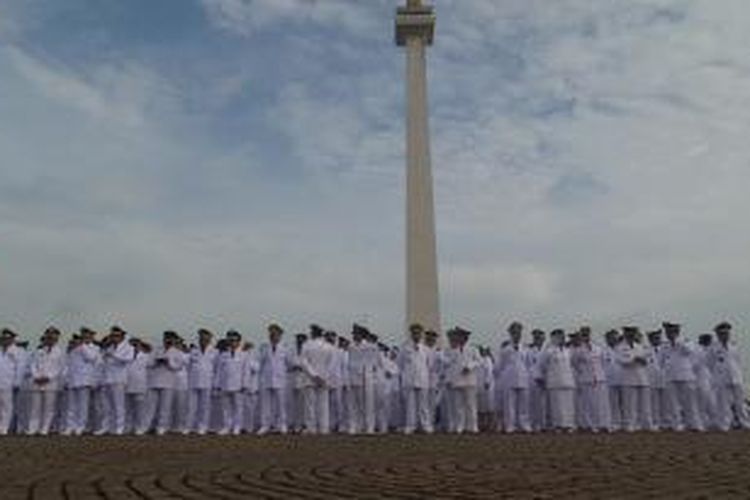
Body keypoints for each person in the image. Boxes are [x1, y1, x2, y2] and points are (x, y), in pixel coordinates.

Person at [660, 322, 702, 431]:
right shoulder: (664, 345)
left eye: (671, 331)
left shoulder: (686, 341)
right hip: (670, 376)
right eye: (667, 332)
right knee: (673, 403)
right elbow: (660, 361)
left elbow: (688, 351)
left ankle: (694, 424)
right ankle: (677, 424)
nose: (669, 334)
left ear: (677, 332)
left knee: (690, 402)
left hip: (686, 375)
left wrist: (677, 340)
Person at [708, 322, 750, 431]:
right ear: (717, 335)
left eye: (726, 333)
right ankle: (725, 424)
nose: (725, 336)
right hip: (722, 379)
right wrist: (717, 375)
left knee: (740, 403)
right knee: (723, 404)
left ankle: (744, 422)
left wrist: (739, 375)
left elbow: (737, 361)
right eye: (722, 334)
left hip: (735, 377)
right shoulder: (713, 348)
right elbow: (709, 364)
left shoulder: (734, 346)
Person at [571, 327, 610, 432]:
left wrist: (600, 374)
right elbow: (574, 364)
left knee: (601, 403)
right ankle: (589, 425)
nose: (585, 336)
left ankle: (602, 423)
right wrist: (583, 372)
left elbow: (602, 362)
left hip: (599, 378)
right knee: (588, 404)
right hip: (586, 379)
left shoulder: (598, 348)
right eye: (583, 334)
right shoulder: (578, 350)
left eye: (587, 334)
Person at [27, 327, 66, 435]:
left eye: (53, 336)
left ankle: (44, 428)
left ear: (57, 338)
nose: (50, 338)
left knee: (48, 408)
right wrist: (36, 376)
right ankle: (32, 428)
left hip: (51, 383)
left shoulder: (60, 352)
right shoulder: (38, 351)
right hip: (37, 381)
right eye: (48, 336)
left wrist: (48, 377)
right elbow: (32, 365)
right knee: (35, 407)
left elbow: (60, 368)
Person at [495, 321, 531, 433]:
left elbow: (528, 364)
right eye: (514, 332)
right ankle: (510, 425)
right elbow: (499, 366)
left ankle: (524, 424)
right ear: (510, 333)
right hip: (509, 378)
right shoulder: (505, 349)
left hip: (523, 378)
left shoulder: (525, 348)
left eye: (519, 332)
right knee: (509, 404)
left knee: (524, 404)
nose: (517, 334)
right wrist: (501, 380)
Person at [538, 329, 576, 432]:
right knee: (556, 406)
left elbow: (572, 365)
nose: (562, 339)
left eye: (563, 337)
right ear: (554, 338)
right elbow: (542, 365)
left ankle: (569, 424)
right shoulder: (548, 351)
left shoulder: (567, 351)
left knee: (568, 405)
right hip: (555, 381)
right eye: (560, 337)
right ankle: (557, 425)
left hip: (568, 381)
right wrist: (543, 378)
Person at [64, 327, 101, 436]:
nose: (86, 337)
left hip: (84, 380)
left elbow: (91, 358)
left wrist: (82, 346)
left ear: (92, 337)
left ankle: (80, 426)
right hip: (73, 379)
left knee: (83, 406)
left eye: (88, 335)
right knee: (71, 406)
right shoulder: (74, 348)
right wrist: (67, 379)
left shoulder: (95, 348)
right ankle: (70, 426)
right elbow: (69, 364)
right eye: (84, 335)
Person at [444, 327, 480, 434]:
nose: (462, 338)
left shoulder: (473, 349)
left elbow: (478, 361)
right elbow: (448, 365)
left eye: (464, 336)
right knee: (458, 405)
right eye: (459, 336)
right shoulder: (451, 349)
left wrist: (469, 366)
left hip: (469, 379)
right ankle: (460, 425)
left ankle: (473, 426)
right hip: (457, 380)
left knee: (471, 405)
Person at [397, 323, 432, 434]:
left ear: (421, 335)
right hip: (409, 379)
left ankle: (425, 425)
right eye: (414, 333)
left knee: (423, 405)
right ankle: (410, 425)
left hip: (422, 379)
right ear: (411, 334)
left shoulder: (426, 349)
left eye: (418, 333)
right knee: (410, 405)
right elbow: (399, 364)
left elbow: (430, 365)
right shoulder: (404, 348)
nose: (416, 335)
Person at [148, 331, 185, 435]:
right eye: (166, 338)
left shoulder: (176, 352)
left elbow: (178, 367)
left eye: (170, 339)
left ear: (173, 340)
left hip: (168, 381)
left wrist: (169, 363)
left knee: (165, 406)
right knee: (151, 406)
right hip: (155, 380)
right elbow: (148, 363)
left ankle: (162, 427)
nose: (168, 340)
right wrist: (156, 361)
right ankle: (149, 425)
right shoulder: (156, 349)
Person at [617, 326, 653, 432]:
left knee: (645, 404)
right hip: (628, 378)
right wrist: (635, 359)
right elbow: (622, 361)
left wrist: (643, 360)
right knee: (629, 404)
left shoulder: (640, 346)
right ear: (625, 334)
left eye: (633, 333)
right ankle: (630, 424)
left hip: (642, 377)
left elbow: (647, 361)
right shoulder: (620, 347)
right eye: (629, 333)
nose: (631, 335)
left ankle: (647, 424)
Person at [257, 324, 291, 435]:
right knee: (265, 404)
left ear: (280, 335)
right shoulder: (264, 347)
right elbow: (260, 363)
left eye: (275, 334)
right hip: (266, 379)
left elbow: (289, 364)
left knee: (281, 404)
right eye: (271, 334)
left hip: (280, 379)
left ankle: (282, 425)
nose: (272, 336)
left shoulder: (285, 348)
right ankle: (265, 425)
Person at [100, 326, 134, 435]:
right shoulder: (108, 348)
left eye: (117, 336)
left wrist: (114, 355)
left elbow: (127, 360)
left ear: (122, 336)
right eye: (113, 335)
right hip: (107, 378)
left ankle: (120, 427)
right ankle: (106, 427)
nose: (114, 338)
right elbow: (102, 362)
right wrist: (105, 350)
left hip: (119, 379)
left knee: (119, 405)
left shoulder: (128, 347)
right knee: (106, 405)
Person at [347, 324, 379, 434]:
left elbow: (374, 363)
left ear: (362, 335)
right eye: (354, 334)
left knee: (367, 404)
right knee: (353, 404)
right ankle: (355, 425)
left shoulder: (371, 347)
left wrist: (369, 374)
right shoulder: (351, 347)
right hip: (353, 377)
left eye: (356, 334)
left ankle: (369, 426)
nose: (354, 336)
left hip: (366, 377)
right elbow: (350, 363)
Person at [187, 329, 217, 435]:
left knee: (204, 406)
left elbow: (217, 369)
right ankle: (189, 427)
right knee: (191, 406)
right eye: (201, 338)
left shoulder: (214, 351)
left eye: (205, 338)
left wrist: (215, 383)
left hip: (207, 381)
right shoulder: (193, 351)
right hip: (193, 381)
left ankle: (202, 427)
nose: (203, 340)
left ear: (209, 339)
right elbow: (188, 367)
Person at [216, 331, 246, 435]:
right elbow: (219, 370)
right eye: (230, 340)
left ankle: (237, 426)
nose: (232, 342)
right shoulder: (223, 355)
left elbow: (245, 371)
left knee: (238, 407)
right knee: (226, 407)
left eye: (234, 340)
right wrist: (218, 384)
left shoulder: (244, 355)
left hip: (238, 385)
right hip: (225, 384)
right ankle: (227, 426)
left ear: (239, 342)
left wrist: (244, 384)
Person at [126, 338, 151, 435]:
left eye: (136, 345)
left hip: (140, 384)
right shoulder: (126, 357)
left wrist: (148, 348)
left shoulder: (146, 356)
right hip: (127, 384)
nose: (134, 347)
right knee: (128, 408)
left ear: (140, 346)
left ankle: (140, 427)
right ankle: (129, 426)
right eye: (132, 345)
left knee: (140, 408)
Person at [693, 334, 717, 430]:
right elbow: (694, 365)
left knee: (713, 402)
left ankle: (714, 421)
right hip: (700, 378)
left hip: (713, 378)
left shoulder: (713, 349)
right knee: (702, 402)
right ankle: (702, 423)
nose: (708, 341)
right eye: (706, 340)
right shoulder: (697, 350)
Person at [645, 330, 667, 430]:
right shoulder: (645, 350)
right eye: (654, 338)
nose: (656, 340)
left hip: (665, 378)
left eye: (658, 338)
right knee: (654, 402)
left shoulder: (666, 348)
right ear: (649, 339)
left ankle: (666, 421)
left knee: (666, 402)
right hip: (651, 379)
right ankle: (656, 421)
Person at [603, 329, 624, 431]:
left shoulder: (622, 349)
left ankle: (626, 422)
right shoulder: (603, 350)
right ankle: (614, 422)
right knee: (612, 403)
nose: (612, 339)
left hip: (623, 379)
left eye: (614, 337)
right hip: (609, 380)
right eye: (610, 338)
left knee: (625, 403)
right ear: (606, 339)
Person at [526, 329, 547, 432]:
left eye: (540, 337)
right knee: (532, 403)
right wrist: (535, 377)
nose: (538, 339)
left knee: (544, 403)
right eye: (536, 337)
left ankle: (543, 424)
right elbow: (527, 366)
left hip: (545, 379)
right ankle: (533, 424)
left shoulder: (547, 350)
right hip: (532, 379)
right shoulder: (528, 350)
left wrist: (544, 378)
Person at [0, 329, 18, 435]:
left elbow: (19, 368)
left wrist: (16, 381)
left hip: (8, 382)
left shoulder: (16, 351)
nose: (5, 340)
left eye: (7, 338)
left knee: (6, 406)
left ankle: (4, 428)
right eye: (3, 339)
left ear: (12, 339)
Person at [241, 341, 260, 433]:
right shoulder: (242, 356)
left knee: (252, 408)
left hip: (253, 387)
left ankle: (251, 427)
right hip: (243, 387)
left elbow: (256, 368)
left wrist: (248, 360)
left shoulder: (254, 358)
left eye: (249, 347)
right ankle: (244, 426)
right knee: (244, 408)